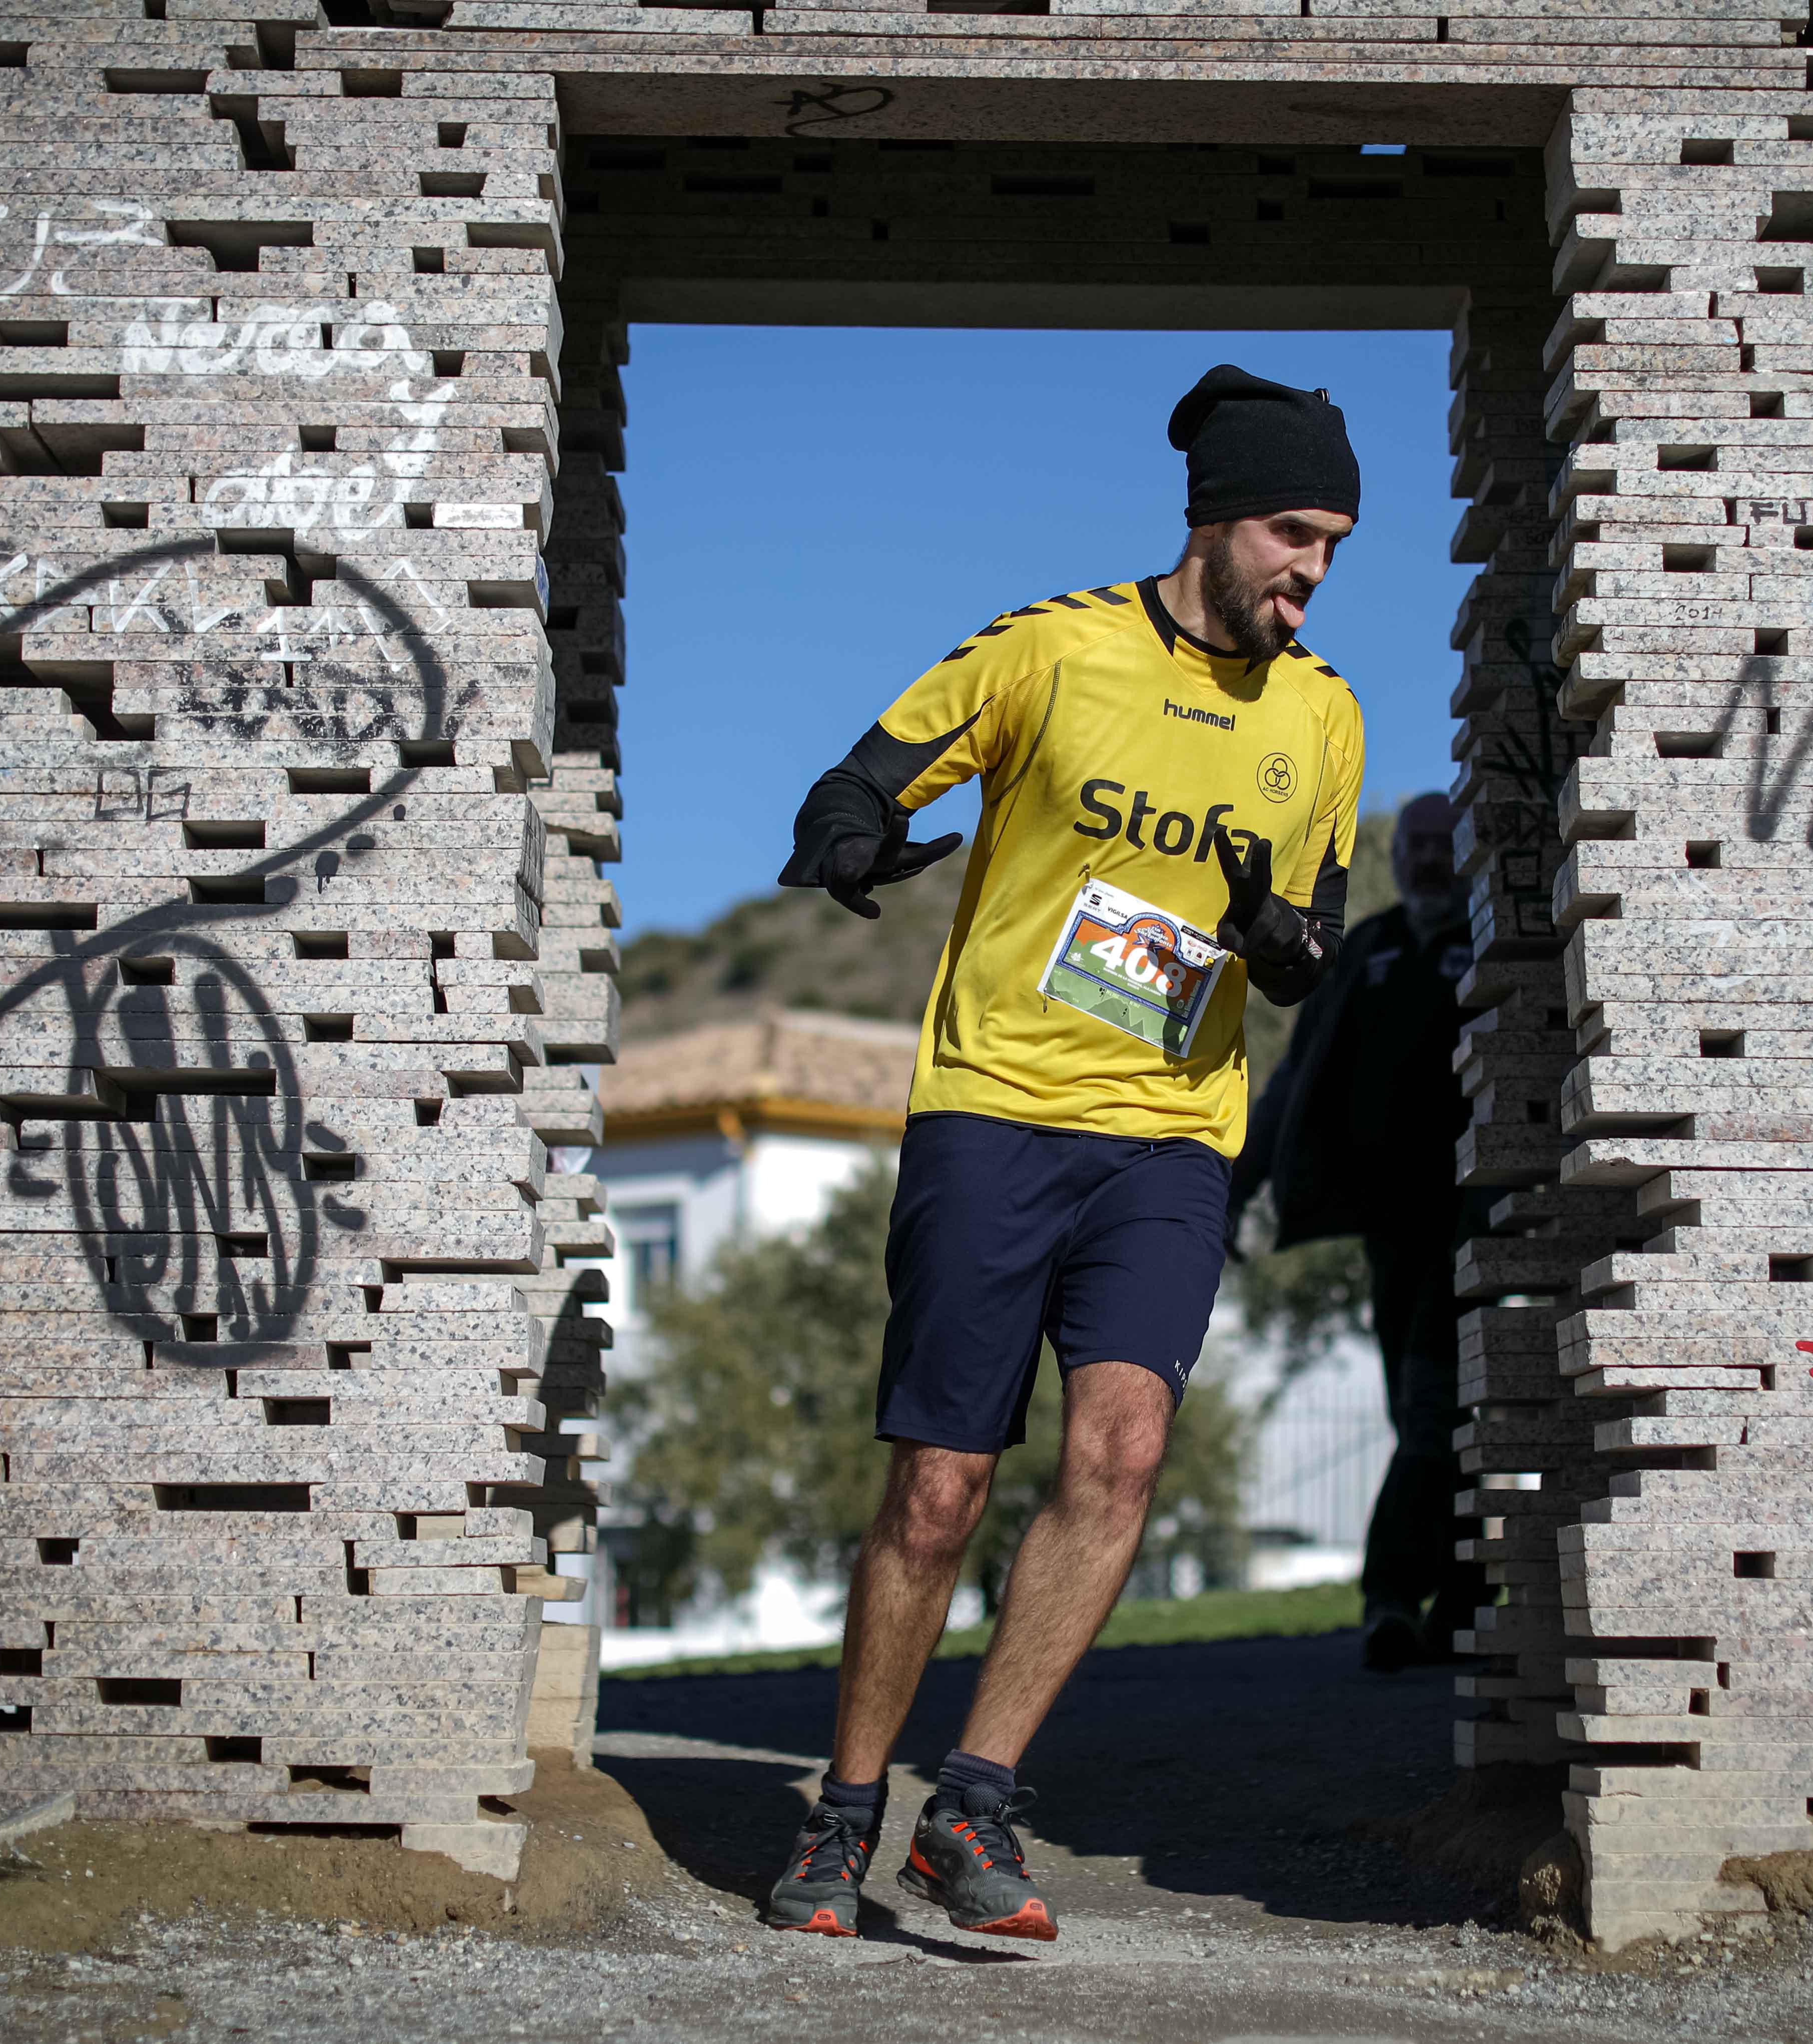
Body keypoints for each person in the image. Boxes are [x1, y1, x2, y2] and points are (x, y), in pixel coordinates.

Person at [759, 364, 1367, 1942]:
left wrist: (1271, 939)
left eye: (1334, 546)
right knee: (940, 1487)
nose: (1310, 571)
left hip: (1171, 1136)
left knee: (1120, 1453)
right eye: (1293, 534)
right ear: (1216, 521)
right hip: (997, 1107)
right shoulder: (1049, 646)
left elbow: (1312, 946)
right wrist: (844, 842)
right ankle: (841, 1815)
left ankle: (973, 1806)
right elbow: (862, 772)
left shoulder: (1323, 715)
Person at [1226, 792, 1488, 1673]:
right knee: (1422, 1412)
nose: (1423, 861)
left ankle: (1390, 1597)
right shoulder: (1369, 947)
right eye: (1411, 846)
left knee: (1432, 1409)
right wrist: (1238, 1187)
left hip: (1479, 1221)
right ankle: (1461, 1598)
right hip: (1389, 1224)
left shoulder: (1495, 940)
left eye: (1439, 845)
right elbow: (1294, 1081)